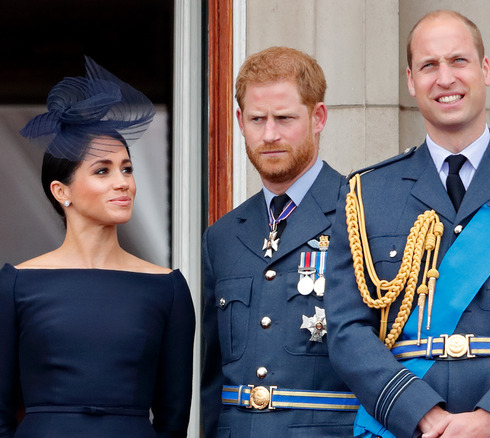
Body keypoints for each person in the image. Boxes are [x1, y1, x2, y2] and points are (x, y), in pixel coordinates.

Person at [325, 10, 490, 438]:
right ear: (411, 80)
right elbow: (346, 329)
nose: (445, 78)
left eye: (459, 61)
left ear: (485, 70)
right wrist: (420, 414)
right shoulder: (365, 194)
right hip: (405, 425)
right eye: (429, 65)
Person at [0, 57, 195, 438]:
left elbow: (173, 419)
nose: (122, 182)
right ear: (62, 191)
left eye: (127, 168)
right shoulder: (16, 284)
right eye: (102, 170)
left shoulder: (168, 287)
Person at [200, 47, 356, 437]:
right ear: (239, 121)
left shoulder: (362, 214)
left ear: (318, 117)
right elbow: (212, 381)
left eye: (284, 118)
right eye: (257, 119)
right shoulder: (222, 236)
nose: (269, 134)